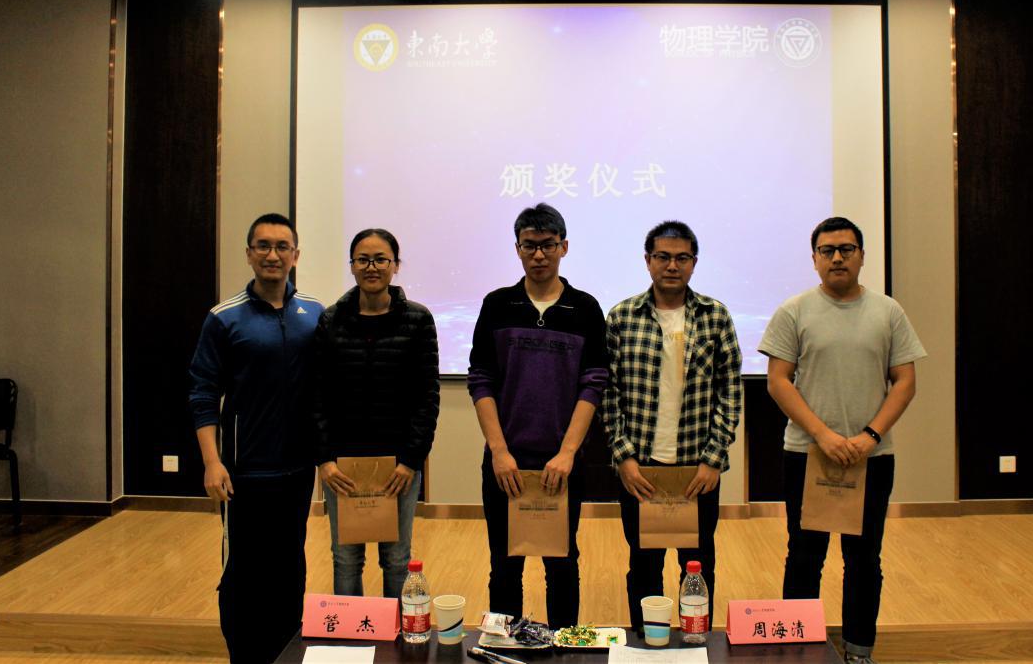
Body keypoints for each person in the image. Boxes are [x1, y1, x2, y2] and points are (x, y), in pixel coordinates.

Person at [759, 216, 926, 664]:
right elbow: (778, 381)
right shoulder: (794, 311)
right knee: (804, 555)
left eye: (846, 249)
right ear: (814, 258)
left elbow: (905, 381)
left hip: (872, 457)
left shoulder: (888, 312)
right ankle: (797, 647)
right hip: (808, 454)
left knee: (864, 557)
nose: (837, 258)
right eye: (827, 250)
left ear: (862, 256)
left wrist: (870, 436)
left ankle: (858, 649)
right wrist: (823, 435)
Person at [189, 213, 324, 664]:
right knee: (244, 572)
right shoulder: (223, 318)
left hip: (298, 469)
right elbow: (203, 393)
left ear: (295, 255)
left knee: (290, 565)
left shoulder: (314, 314)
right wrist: (212, 461)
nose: (272, 254)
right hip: (244, 471)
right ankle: (245, 655)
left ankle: (285, 651)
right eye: (263, 246)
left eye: (282, 246)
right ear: (249, 254)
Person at [467, 203, 609, 627]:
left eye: (548, 245)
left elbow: (593, 384)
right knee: (503, 566)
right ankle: (505, 648)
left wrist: (567, 453)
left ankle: (564, 647)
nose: (539, 254)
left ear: (564, 246)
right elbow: (481, 380)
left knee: (562, 565)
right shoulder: (497, 305)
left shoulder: (585, 308)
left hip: (561, 465)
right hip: (506, 464)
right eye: (529, 245)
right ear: (517, 249)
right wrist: (499, 452)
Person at [602, 220, 742, 634]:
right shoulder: (622, 317)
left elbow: (730, 391)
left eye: (682, 258)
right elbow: (608, 392)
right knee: (643, 566)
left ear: (694, 263)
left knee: (697, 565)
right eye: (662, 257)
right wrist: (624, 458)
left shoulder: (715, 316)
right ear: (647, 261)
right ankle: (647, 644)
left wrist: (713, 459)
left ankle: (695, 643)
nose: (672, 266)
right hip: (641, 470)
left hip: (696, 470)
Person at [310, 228, 440, 598]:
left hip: (398, 466)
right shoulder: (331, 320)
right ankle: (351, 635)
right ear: (351, 265)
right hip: (342, 466)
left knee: (397, 560)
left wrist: (411, 461)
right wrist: (324, 460)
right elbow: (316, 395)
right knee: (345, 559)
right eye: (363, 259)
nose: (372, 267)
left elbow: (427, 397)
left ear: (395, 265)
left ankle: (395, 634)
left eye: (381, 259)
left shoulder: (418, 319)